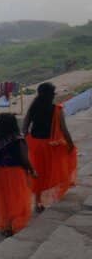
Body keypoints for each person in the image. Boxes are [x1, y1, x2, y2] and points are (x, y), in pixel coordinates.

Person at [23, 82, 78, 211]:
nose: (54, 95)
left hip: (35, 144)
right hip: (49, 145)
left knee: (38, 171)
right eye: (53, 93)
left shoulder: (34, 107)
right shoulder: (56, 110)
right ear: (49, 95)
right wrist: (70, 144)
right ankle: (46, 195)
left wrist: (26, 139)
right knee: (51, 170)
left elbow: (25, 125)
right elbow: (64, 129)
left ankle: (38, 201)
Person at [0, 113, 37, 237]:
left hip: (0, 173)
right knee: (17, 197)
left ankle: (6, 226)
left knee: (4, 199)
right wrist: (31, 169)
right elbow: (24, 159)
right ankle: (14, 223)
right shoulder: (18, 139)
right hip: (16, 172)